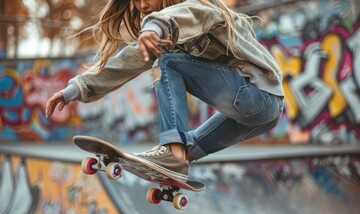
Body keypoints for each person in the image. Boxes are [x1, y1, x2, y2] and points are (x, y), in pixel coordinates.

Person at [46, 0, 284, 181]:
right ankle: (174, 164)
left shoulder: (201, 7)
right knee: (190, 148)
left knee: (167, 63)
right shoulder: (165, 37)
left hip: (256, 95)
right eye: (135, 2)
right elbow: (126, 62)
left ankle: (172, 155)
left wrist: (154, 26)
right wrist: (75, 89)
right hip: (264, 115)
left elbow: (187, 14)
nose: (141, 6)